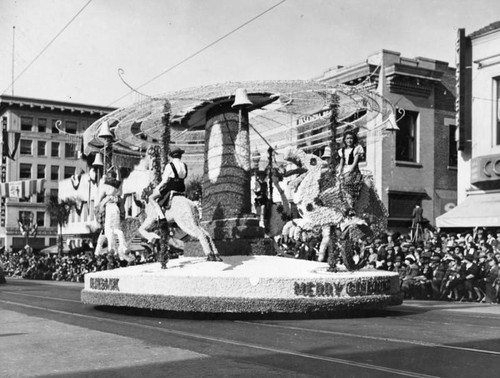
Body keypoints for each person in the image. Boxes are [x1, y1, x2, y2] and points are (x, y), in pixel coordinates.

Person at [149, 147, 188, 219]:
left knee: (151, 198)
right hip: (182, 188)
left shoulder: (170, 165)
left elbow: (165, 181)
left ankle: (161, 217)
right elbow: (185, 176)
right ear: (180, 155)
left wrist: (158, 187)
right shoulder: (184, 165)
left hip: (171, 187)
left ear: (172, 156)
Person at [337, 130, 364, 212]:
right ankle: (346, 207)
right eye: (347, 138)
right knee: (341, 189)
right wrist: (339, 172)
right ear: (344, 140)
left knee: (350, 190)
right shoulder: (342, 150)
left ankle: (352, 207)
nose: (349, 140)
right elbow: (341, 163)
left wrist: (348, 173)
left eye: (351, 138)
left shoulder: (357, 149)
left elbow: (354, 163)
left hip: (353, 171)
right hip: (345, 170)